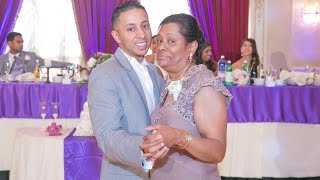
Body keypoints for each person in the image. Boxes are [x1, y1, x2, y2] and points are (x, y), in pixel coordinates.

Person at [140, 14, 232, 179]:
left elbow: (218, 151)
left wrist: (179, 137)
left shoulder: (204, 85)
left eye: (171, 41)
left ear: (191, 47)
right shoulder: (169, 81)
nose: (161, 47)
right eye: (159, 41)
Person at [88, 1, 165, 180]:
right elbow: (108, 137)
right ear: (117, 36)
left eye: (145, 25)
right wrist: (147, 147)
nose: (142, 34)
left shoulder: (156, 72)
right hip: (125, 174)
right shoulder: (104, 74)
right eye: (131, 29)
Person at [0, 32, 72, 77]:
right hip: (6, 91)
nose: (21, 44)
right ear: (9, 43)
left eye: (22, 42)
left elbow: (49, 63)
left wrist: (69, 65)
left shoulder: (31, 56)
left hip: (27, 89)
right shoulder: (1, 59)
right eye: (18, 42)